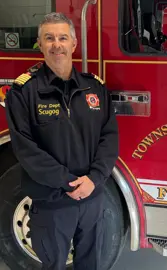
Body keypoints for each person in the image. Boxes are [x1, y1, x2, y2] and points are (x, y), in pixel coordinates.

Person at [5, 12, 119, 270]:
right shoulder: (24, 92)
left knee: (90, 264)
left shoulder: (96, 89)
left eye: (62, 38)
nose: (57, 44)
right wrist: (69, 183)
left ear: (73, 44)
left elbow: (109, 138)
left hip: (92, 198)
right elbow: (26, 149)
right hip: (52, 202)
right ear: (40, 44)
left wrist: (94, 179)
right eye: (50, 38)